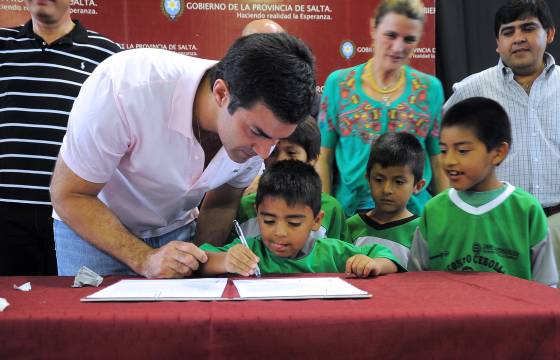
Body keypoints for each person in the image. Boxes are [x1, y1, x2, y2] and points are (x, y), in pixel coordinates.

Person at [49, 33, 316, 278]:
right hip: (93, 232)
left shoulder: (258, 135)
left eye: (276, 139)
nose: (264, 153)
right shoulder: (125, 87)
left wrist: (199, 263)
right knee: (95, 326)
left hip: (177, 231)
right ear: (222, 93)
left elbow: (221, 204)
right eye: (256, 131)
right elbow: (69, 194)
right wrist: (144, 258)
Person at [0, 0, 121, 275]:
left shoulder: (107, 56)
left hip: (76, 213)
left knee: (69, 305)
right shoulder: (2, 44)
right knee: (10, 309)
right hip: (6, 212)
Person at [443, 0, 560, 277]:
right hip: (494, 221)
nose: (518, 38)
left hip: (558, 221)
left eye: (528, 28)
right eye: (508, 32)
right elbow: (438, 147)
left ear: (550, 34)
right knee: (501, 310)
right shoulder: (471, 90)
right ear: (497, 42)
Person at [316, 0, 447, 218]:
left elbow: (438, 159)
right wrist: (327, 214)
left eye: (409, 39)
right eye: (391, 35)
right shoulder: (339, 84)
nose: (398, 47)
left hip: (413, 216)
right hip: (351, 215)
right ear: (373, 29)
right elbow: (324, 156)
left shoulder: (430, 89)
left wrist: (444, 216)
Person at [409, 97, 558, 287]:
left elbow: (546, 287)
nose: (449, 161)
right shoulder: (433, 209)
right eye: (444, 150)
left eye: (462, 151)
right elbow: (416, 282)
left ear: (498, 153)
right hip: (448, 315)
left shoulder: (526, 209)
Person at [199, 160, 403, 277]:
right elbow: (200, 260)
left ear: (316, 220)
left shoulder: (331, 253)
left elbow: (387, 256)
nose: (279, 232)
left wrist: (372, 264)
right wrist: (226, 261)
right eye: (269, 220)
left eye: (294, 223)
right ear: (257, 212)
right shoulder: (250, 250)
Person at [236, 117, 348, 241]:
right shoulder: (245, 207)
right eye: (273, 153)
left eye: (291, 153)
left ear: (312, 160)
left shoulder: (331, 208)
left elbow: (341, 255)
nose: (280, 159)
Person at [346, 132, 425, 267]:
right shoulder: (351, 227)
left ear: (417, 186)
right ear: (368, 179)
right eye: (379, 180)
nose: (386, 189)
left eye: (399, 182)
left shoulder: (421, 231)